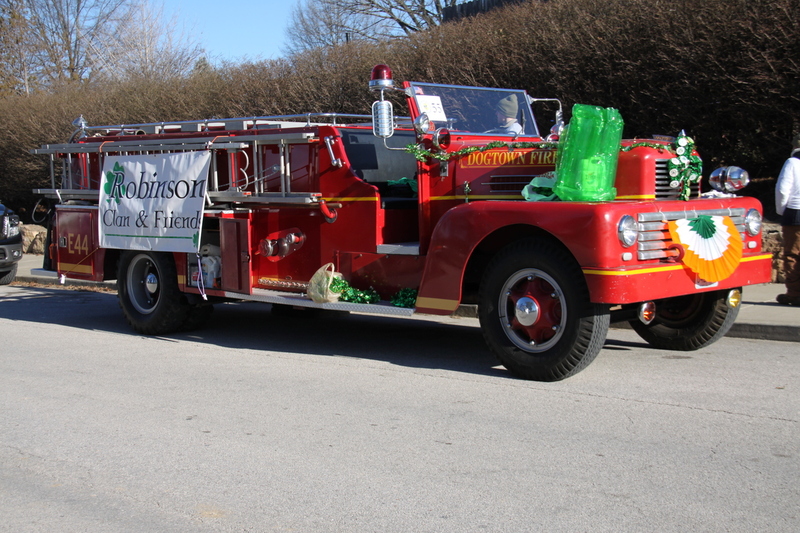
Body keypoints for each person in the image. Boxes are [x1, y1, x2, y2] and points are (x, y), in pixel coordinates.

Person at [775, 133, 800, 305]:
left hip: (795, 210)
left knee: (793, 254)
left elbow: (783, 189)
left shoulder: (792, 163)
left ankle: (794, 293)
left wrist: (781, 210)